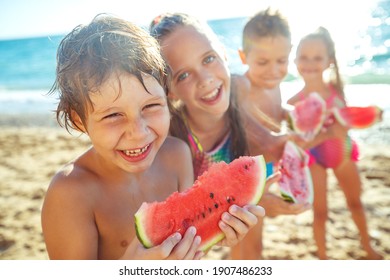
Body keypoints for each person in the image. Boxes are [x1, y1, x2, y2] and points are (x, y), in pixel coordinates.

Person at [41, 14, 266, 260]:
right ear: (78, 120)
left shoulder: (178, 155)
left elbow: (190, 242)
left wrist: (219, 231)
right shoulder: (69, 194)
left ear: (167, 96)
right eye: (113, 115)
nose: (138, 132)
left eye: (150, 106)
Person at [149, 12, 309, 260]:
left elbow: (264, 137)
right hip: (205, 215)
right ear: (169, 90)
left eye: (209, 59)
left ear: (223, 53)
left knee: (251, 250)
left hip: (245, 190)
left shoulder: (239, 90)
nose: (206, 79)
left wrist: (289, 141)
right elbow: (190, 215)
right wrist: (259, 202)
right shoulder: (174, 138)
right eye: (184, 74)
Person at [287, 26, 382, 259]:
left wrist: (367, 118)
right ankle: (323, 257)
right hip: (314, 159)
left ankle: (367, 246)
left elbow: (349, 122)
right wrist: (328, 134)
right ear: (295, 59)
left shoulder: (336, 92)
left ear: (329, 61)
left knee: (356, 204)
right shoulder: (292, 103)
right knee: (320, 213)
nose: (309, 63)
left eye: (317, 58)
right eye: (304, 57)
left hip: (343, 154)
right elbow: (298, 145)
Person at [230, 8, 311, 259]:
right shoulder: (242, 85)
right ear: (244, 56)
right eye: (263, 62)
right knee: (246, 240)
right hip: (246, 172)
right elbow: (243, 119)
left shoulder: (274, 85)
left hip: (268, 168)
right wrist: (278, 138)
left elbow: (274, 110)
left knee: (253, 237)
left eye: (282, 61)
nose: (273, 71)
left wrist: (290, 114)